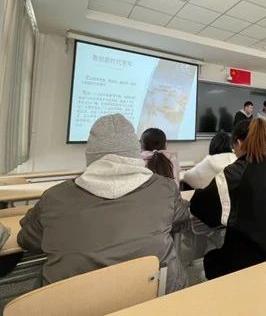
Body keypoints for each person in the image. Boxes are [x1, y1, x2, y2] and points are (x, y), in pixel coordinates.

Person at [18, 114, 189, 293]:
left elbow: (27, 239)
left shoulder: (54, 198)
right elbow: (181, 218)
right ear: (135, 153)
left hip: (73, 302)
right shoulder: (165, 189)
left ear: (91, 156)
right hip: (157, 296)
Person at [191, 119, 266, 279]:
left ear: (238, 143)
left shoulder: (237, 171)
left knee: (211, 259)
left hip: (256, 262)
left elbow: (201, 207)